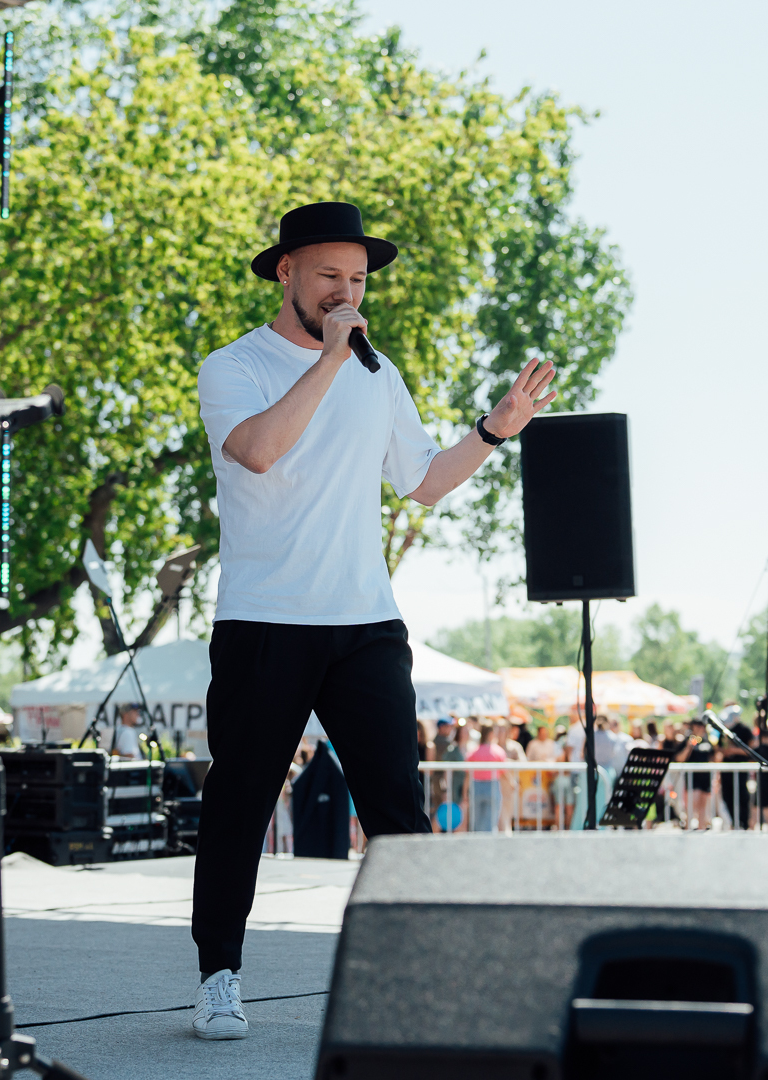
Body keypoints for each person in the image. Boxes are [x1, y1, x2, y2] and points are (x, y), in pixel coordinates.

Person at [190, 201, 557, 1040]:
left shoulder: (377, 373)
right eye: (329, 276)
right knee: (240, 805)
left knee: (399, 809)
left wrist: (494, 431)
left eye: (357, 279)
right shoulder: (235, 366)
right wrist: (328, 358)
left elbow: (422, 482)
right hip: (265, 620)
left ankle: (422, 976)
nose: (346, 293)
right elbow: (259, 451)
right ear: (286, 272)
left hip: (365, 621)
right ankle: (218, 975)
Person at [467, 723, 508, 833]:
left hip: (476, 786)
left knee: (477, 821)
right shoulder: (498, 751)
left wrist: (464, 792)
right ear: (490, 734)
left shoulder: (474, 751)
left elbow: (467, 773)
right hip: (492, 786)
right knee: (491, 821)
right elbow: (504, 771)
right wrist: (512, 783)